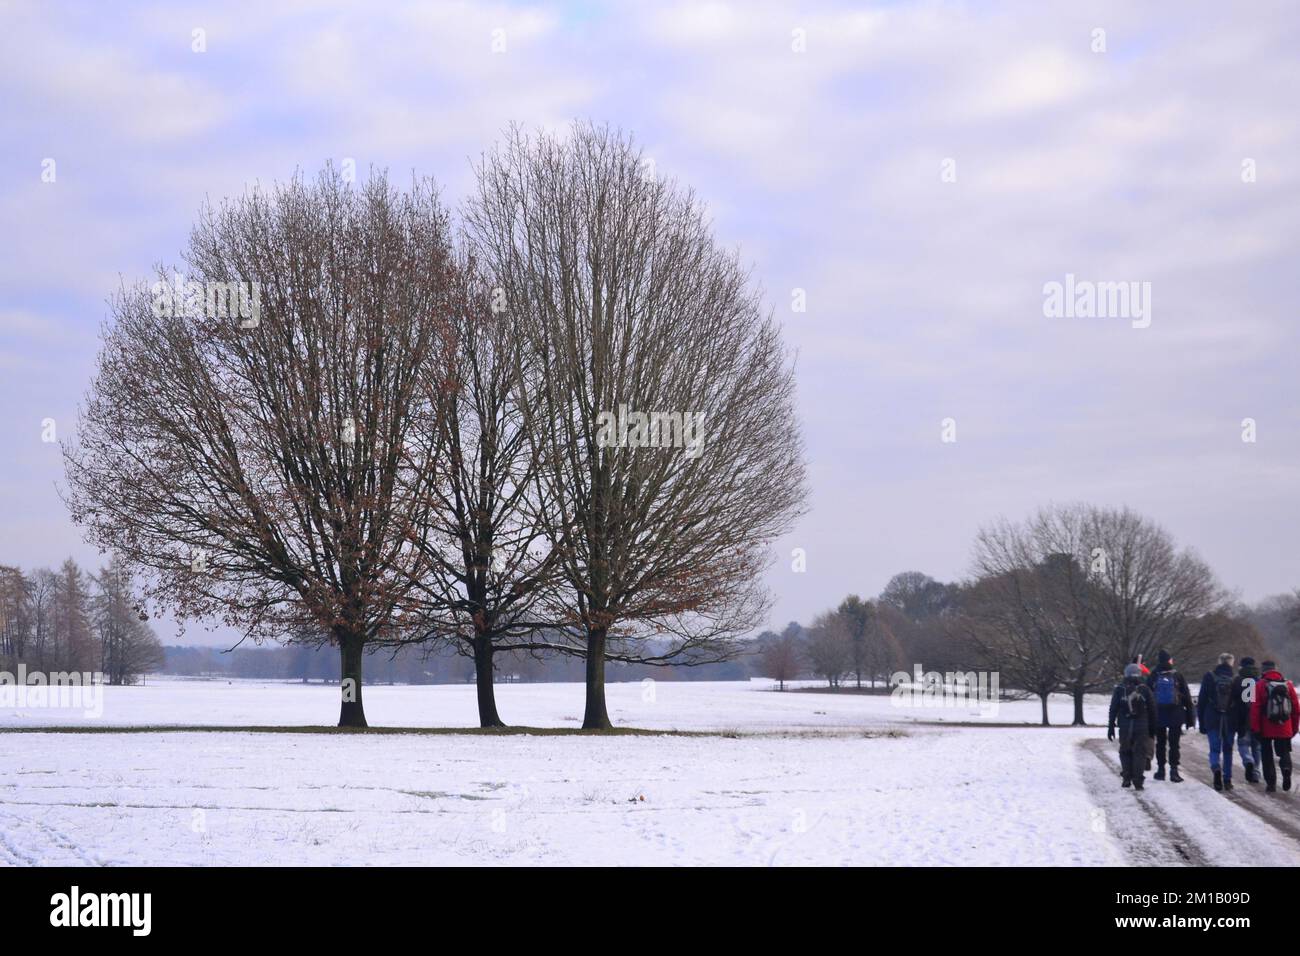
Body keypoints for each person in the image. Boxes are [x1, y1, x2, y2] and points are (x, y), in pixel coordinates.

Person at [1249, 660, 1300, 793]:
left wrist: (1255, 728)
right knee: (1284, 752)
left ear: (1263, 670)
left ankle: (1271, 783)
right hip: (1285, 726)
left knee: (1267, 755)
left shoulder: (1259, 685)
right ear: (1276, 669)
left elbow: (1255, 709)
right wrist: (1294, 727)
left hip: (1266, 727)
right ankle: (1286, 770)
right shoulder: (1288, 684)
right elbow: (1295, 708)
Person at [1147, 649, 1194, 781]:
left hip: (1158, 714)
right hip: (1176, 714)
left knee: (1160, 743)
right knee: (1174, 744)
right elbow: (1186, 697)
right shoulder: (1177, 675)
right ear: (1169, 660)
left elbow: (1148, 696)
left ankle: (1161, 770)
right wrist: (1190, 718)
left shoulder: (1153, 675)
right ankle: (1174, 771)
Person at [1109, 663, 1157, 790]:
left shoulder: (1119, 689)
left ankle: (1126, 778)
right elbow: (1152, 710)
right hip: (1142, 726)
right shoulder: (1145, 689)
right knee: (1140, 753)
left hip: (1124, 726)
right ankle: (1138, 780)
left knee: (1125, 751)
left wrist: (1111, 726)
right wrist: (1152, 729)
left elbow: (1113, 708)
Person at [1197, 653, 1237, 791]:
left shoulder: (1209, 677)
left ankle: (1216, 768)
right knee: (1228, 750)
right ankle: (1227, 779)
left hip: (1212, 718)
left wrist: (1201, 721)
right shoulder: (1237, 678)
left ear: (1218, 662)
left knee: (1214, 749)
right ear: (1232, 663)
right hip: (1230, 720)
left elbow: (1202, 700)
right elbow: (1243, 702)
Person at [1231, 656, 1262, 783]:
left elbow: (1232, 700)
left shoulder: (1238, 680)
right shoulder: (1259, 680)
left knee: (1243, 744)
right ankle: (1255, 772)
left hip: (1243, 719)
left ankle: (1248, 760)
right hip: (1257, 719)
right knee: (1257, 747)